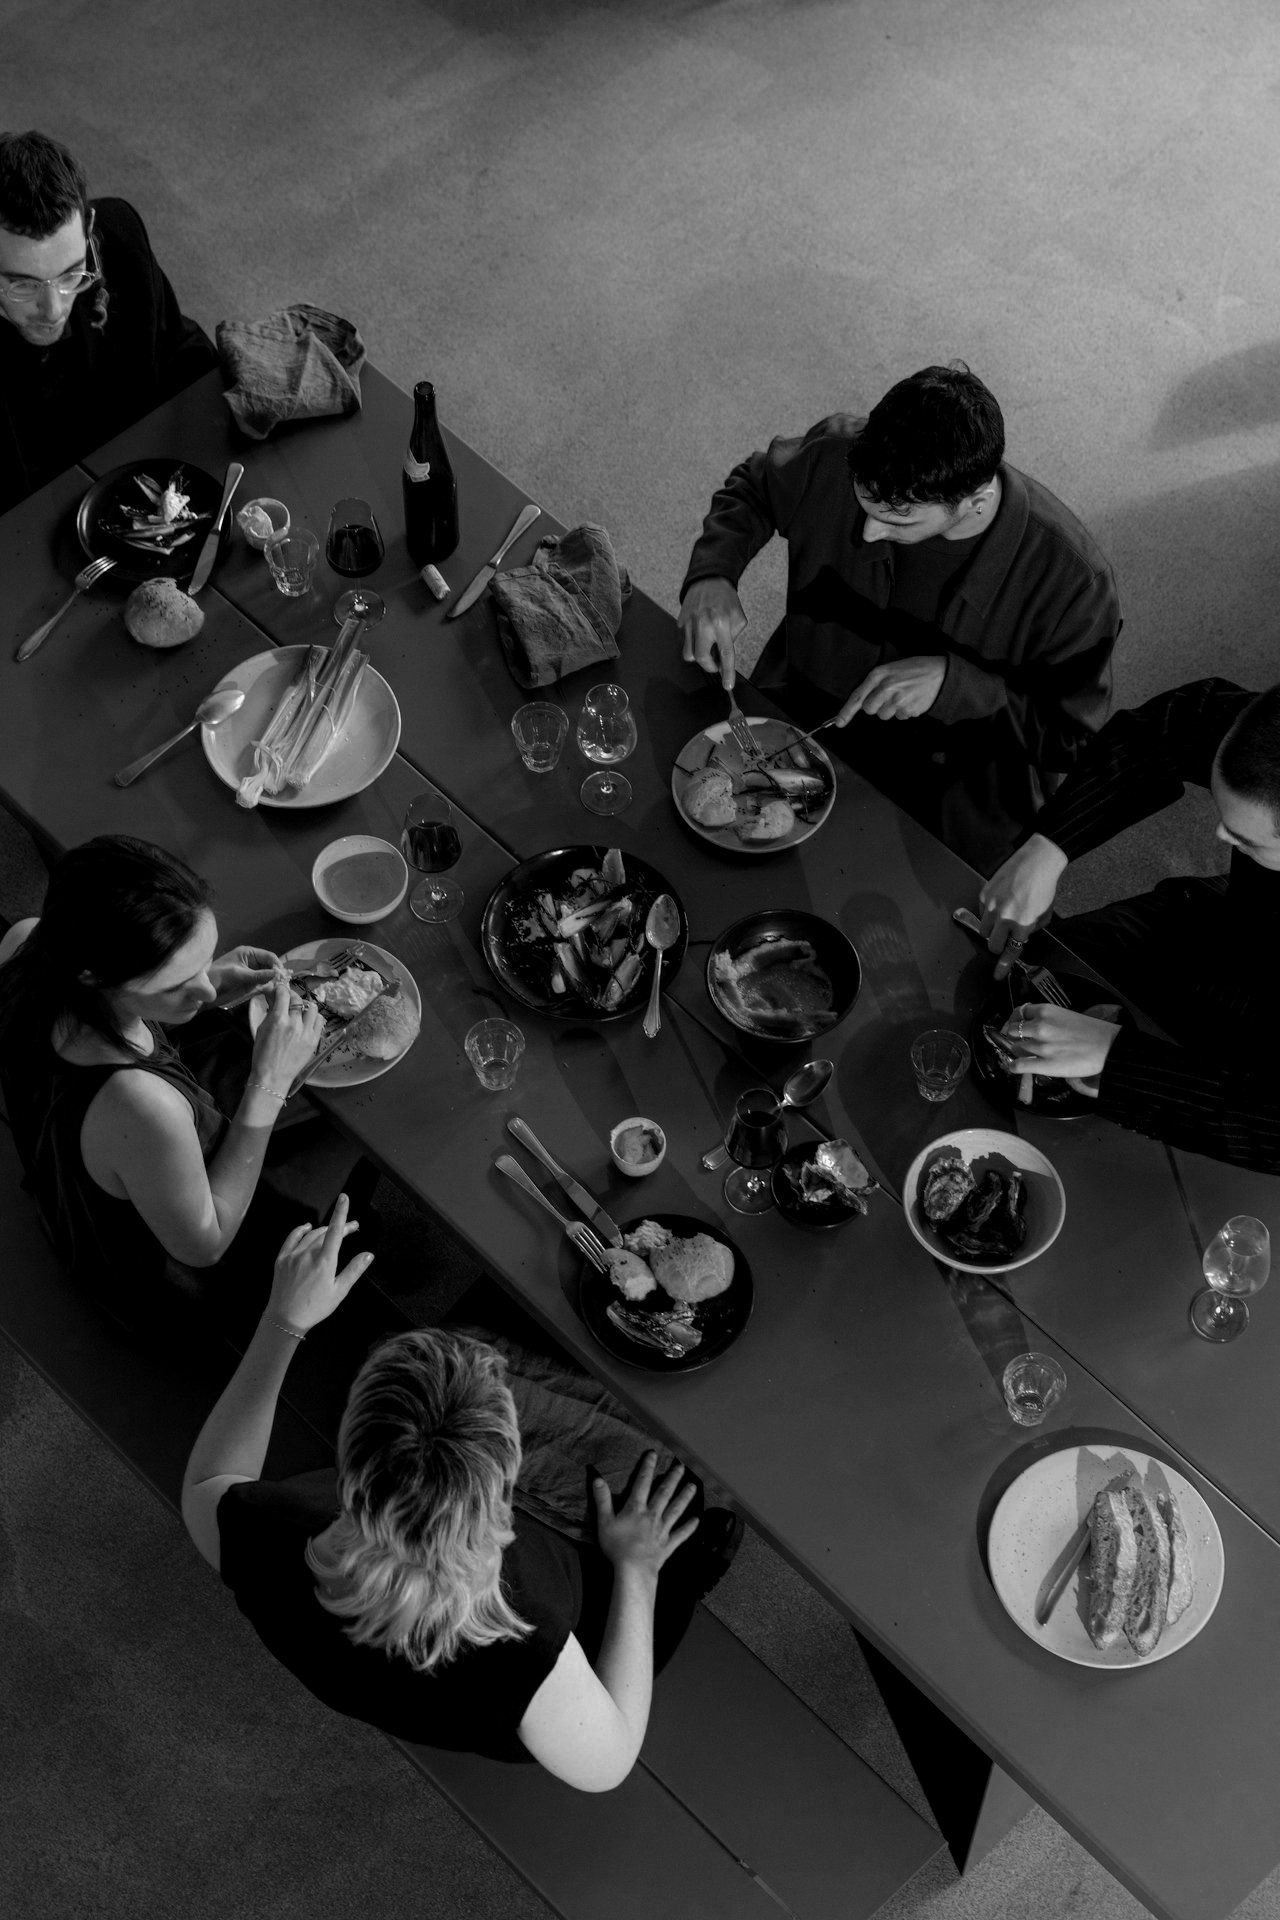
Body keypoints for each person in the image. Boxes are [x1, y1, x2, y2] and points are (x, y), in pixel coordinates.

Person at [184, 1204, 730, 1789]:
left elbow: (208, 1479)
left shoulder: (264, 1529)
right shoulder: (522, 1647)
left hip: (402, 1649)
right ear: (503, 1497)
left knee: (451, 1342)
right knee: (691, 1498)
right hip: (570, 1641)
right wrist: (638, 1571)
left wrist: (284, 1321)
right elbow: (608, 1765)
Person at [678, 364, 1120, 870]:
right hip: (804, 721)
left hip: (949, 801)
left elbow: (1073, 739)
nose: (867, 533)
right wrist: (714, 574)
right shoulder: (836, 453)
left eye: (895, 520)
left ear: (974, 502)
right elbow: (754, 487)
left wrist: (954, 687)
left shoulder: (1073, 582)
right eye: (863, 502)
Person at [0, 834, 324, 1333]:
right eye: (176, 983)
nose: (208, 990)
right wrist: (270, 1082)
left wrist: (202, 982)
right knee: (331, 1145)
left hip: (94, 1157)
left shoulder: (26, 942)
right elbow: (205, 1245)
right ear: (94, 976)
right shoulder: (141, 1105)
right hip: (160, 1274)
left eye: (204, 962)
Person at [976, 677, 1280, 1172]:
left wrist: (1115, 1058)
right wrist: (1048, 848)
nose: (1219, 835)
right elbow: (1174, 723)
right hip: (1225, 924)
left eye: (1244, 839)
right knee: (1053, 959)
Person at [0, 129, 217, 514]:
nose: (53, 309)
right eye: (23, 285)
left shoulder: (119, 241)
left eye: (71, 274)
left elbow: (180, 354)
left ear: (88, 229)